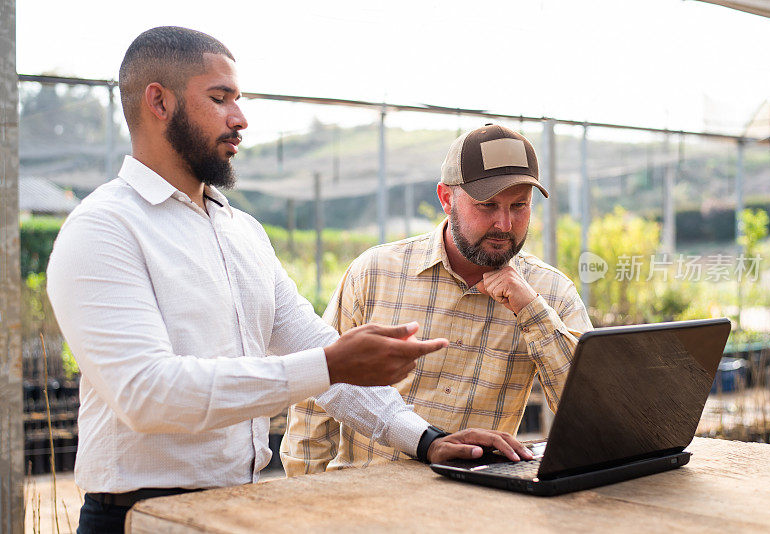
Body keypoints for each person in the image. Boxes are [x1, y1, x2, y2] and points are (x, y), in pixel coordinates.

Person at [46, 28, 531, 533]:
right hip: (134, 518)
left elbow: (312, 342)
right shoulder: (104, 229)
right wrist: (328, 365)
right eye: (220, 99)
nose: (240, 118)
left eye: (239, 99)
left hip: (232, 509)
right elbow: (148, 394)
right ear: (158, 102)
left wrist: (426, 440)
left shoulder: (242, 233)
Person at [281, 123, 593, 476]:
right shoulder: (375, 273)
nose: (504, 224)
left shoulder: (550, 293)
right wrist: (304, 494)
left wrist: (531, 311)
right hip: (363, 499)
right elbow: (315, 397)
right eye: (487, 205)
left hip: (473, 505)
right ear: (446, 198)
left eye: (519, 206)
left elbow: (591, 413)